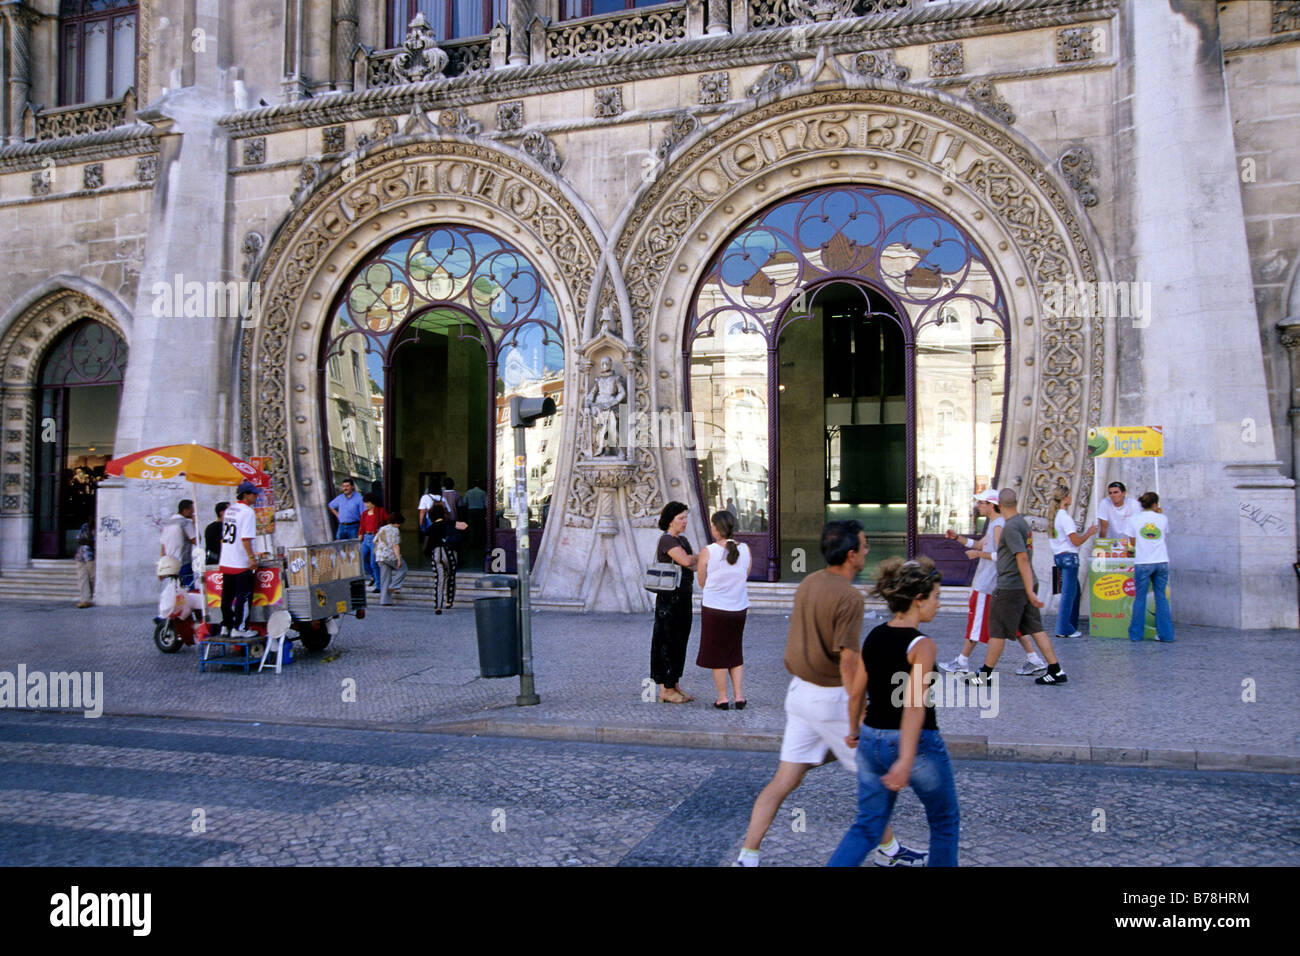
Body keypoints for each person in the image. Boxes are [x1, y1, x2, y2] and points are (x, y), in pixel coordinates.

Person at [735, 521, 924, 867]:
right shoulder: (849, 598)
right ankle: (889, 851)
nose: (867, 552)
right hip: (831, 699)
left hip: (799, 694)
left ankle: (747, 856)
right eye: (864, 547)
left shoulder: (808, 582)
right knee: (876, 775)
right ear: (851, 555)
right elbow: (849, 663)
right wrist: (857, 719)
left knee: (785, 779)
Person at [827, 557, 960, 867]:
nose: (938, 605)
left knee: (867, 826)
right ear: (918, 599)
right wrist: (905, 759)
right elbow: (915, 705)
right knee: (944, 821)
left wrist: (854, 731)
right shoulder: (922, 645)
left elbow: (857, 692)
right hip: (917, 743)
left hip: (871, 739)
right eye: (936, 597)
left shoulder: (875, 635)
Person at [940, 490, 1048, 677]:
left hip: (988, 584)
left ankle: (963, 661)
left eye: (981, 503)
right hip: (998, 584)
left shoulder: (999, 526)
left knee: (977, 622)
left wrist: (979, 555)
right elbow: (980, 545)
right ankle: (1034, 659)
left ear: (992, 504)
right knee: (1017, 624)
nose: (978, 506)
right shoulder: (995, 525)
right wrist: (957, 538)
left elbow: (1003, 556)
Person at [968, 488, 1069, 687]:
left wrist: (1029, 589)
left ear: (998, 504)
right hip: (1021, 584)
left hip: (1011, 586)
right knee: (1035, 628)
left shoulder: (1011, 527)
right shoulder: (1022, 522)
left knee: (997, 630)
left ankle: (986, 673)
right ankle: (1055, 669)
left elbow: (1021, 557)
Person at [696, 510, 750, 709]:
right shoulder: (745, 549)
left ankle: (722, 697)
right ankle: (739, 696)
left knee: (717, 653)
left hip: (715, 609)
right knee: (735, 651)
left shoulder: (708, 551)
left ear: (717, 528)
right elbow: (745, 574)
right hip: (739, 608)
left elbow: (701, 581)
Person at [650, 501, 699, 704]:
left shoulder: (683, 540)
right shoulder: (667, 541)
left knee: (680, 641)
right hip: (669, 600)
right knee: (667, 641)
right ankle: (665, 689)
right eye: (681, 518)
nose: (685, 521)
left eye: (686, 517)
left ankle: (674, 683)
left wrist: (693, 558)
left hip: (684, 597)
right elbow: (688, 562)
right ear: (670, 521)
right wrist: (701, 556)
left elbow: (693, 565)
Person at [1049, 485, 1098, 640]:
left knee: (1074, 592)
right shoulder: (1065, 518)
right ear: (1065, 498)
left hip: (1059, 557)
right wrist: (1089, 533)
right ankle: (1064, 628)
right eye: (1069, 495)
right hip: (1069, 558)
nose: (1071, 497)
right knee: (1068, 594)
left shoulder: (1055, 517)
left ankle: (1070, 624)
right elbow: (1075, 541)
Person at [1129, 491, 1174, 643]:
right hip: (1161, 560)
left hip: (1143, 561)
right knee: (1161, 598)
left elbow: (1132, 542)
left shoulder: (1134, 519)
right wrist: (1159, 513)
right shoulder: (1162, 518)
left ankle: (1136, 635)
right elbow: (1163, 534)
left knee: (1140, 598)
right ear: (1155, 504)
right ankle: (1166, 635)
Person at [219, 482, 260, 638]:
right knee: (243, 596)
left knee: (227, 596)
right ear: (246, 495)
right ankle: (240, 628)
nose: (256, 497)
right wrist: (252, 558)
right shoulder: (247, 512)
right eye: (254, 494)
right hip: (240, 561)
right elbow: (246, 538)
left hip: (227, 559)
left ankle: (226, 625)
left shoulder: (230, 510)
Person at [423, 500, 468, 614]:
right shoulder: (449, 523)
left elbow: (427, 544)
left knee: (439, 579)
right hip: (448, 552)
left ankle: (438, 606)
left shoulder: (431, 527)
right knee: (451, 576)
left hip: (436, 554)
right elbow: (464, 526)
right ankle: (449, 601)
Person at [159, 499, 197, 589]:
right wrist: (194, 522)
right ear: (185, 510)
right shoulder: (185, 523)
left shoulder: (167, 524)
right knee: (187, 592)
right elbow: (196, 540)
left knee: (174, 591)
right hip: (184, 562)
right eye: (192, 511)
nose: (193, 513)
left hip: (170, 563)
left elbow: (163, 547)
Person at [374, 511, 408, 606]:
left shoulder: (382, 528)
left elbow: (375, 541)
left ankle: (385, 600)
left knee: (385, 578)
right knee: (403, 569)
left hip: (380, 556)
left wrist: (377, 552)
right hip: (390, 556)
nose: (399, 526)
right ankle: (394, 586)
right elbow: (395, 545)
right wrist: (398, 559)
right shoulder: (395, 530)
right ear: (398, 522)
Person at [358, 492, 388, 592]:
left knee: (373, 562)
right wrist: (360, 534)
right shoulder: (364, 514)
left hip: (375, 539)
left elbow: (388, 522)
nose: (366, 505)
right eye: (365, 503)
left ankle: (378, 586)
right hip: (366, 537)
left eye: (368, 503)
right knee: (360, 559)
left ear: (373, 503)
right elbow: (362, 525)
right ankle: (372, 576)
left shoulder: (380, 511)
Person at [74, 520, 94, 608]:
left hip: (92, 556)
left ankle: (91, 597)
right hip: (81, 555)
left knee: (92, 577)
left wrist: (88, 540)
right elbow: (79, 539)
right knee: (82, 578)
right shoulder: (85, 526)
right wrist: (88, 541)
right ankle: (85, 599)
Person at [204, 502, 229, 567]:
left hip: (210, 559)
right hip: (219, 561)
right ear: (222, 513)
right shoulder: (223, 527)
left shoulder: (209, 526)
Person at [464, 483, 487, 550]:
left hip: (471, 510)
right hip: (480, 511)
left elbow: (465, 502)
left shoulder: (468, 492)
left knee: (472, 527)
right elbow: (486, 503)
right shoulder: (483, 492)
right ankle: (479, 542)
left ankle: (472, 542)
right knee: (479, 527)